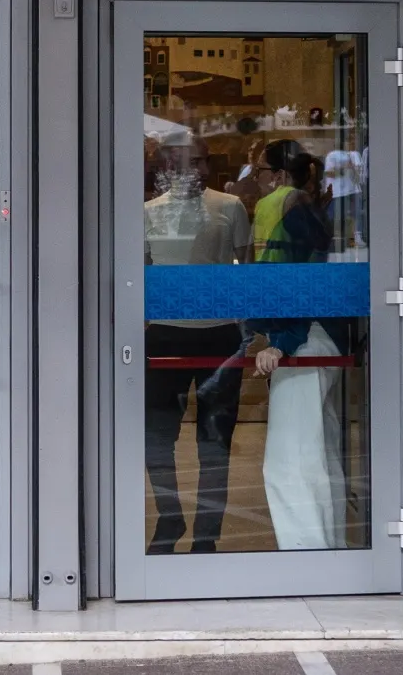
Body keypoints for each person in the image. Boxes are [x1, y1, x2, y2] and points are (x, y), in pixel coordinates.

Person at [142, 138, 253, 553]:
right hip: (166, 332)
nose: (194, 169)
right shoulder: (147, 212)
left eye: (200, 161)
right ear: (166, 166)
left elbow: (247, 267)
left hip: (220, 332)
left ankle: (207, 535)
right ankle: (169, 520)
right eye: (183, 162)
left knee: (215, 440)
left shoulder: (229, 206)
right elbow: (142, 274)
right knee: (157, 438)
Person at [246, 149, 348, 550]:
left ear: (280, 176)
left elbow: (291, 280)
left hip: (305, 340)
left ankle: (307, 557)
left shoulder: (284, 208)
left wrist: (283, 341)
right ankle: (328, 551)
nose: (255, 181)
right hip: (323, 338)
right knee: (319, 452)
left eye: (260, 172)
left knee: (291, 460)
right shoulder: (317, 212)